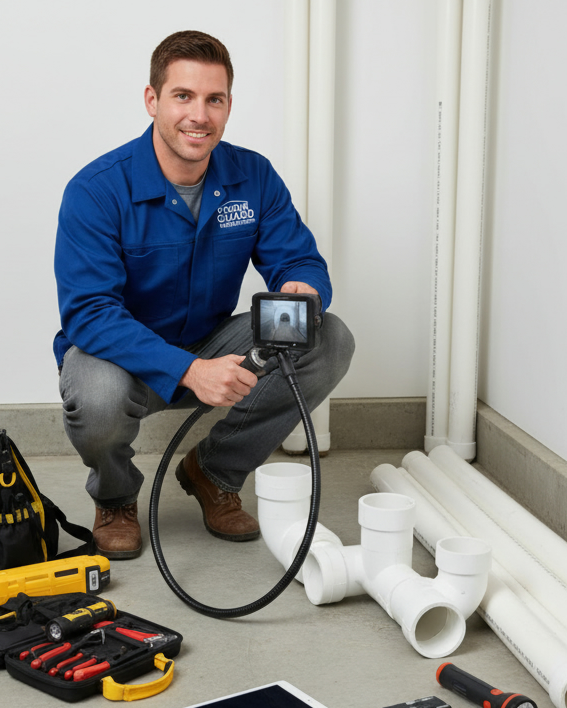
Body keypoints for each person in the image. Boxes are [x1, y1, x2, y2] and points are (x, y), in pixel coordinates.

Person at [53, 30, 354, 558]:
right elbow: (91, 313)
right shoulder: (97, 190)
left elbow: (297, 258)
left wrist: (301, 289)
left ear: (229, 106)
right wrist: (189, 371)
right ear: (152, 100)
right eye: (183, 96)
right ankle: (116, 497)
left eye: (214, 99)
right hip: (125, 361)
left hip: (214, 342)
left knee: (328, 338)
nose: (200, 115)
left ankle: (214, 471)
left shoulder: (252, 176)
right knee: (95, 394)